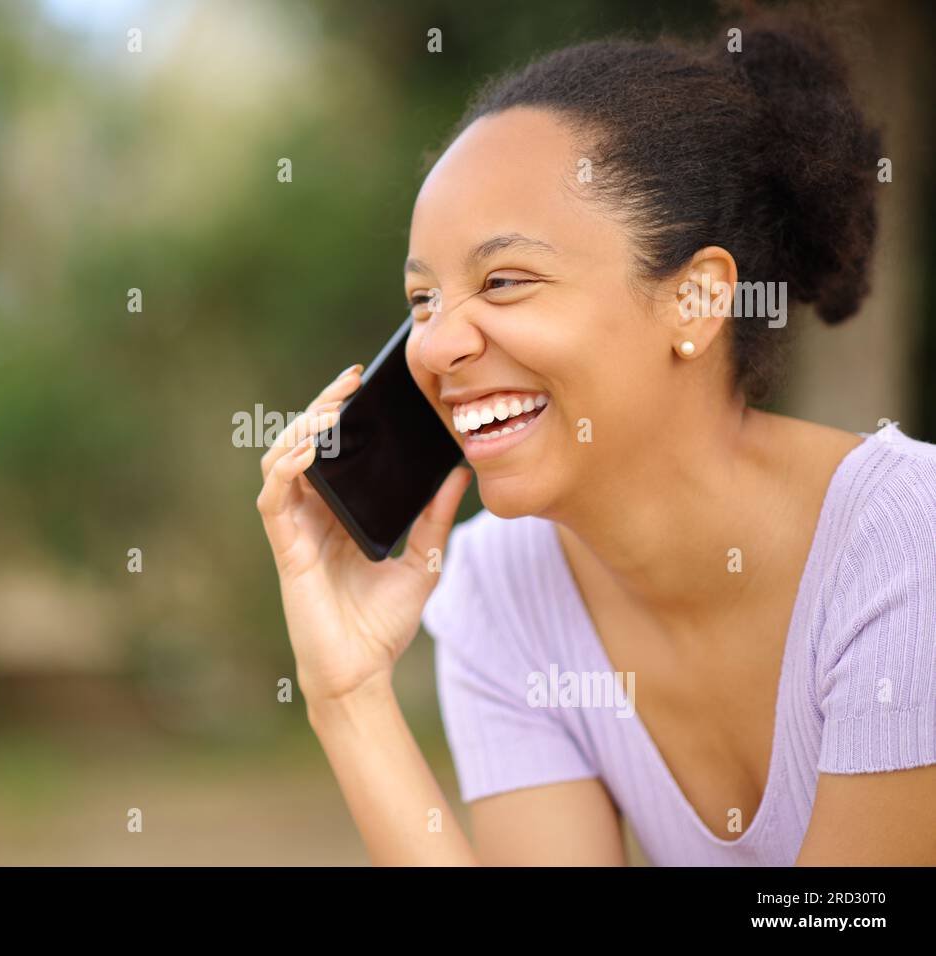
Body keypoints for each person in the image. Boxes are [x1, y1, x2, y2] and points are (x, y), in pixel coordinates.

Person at [255, 7, 936, 865]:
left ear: (696, 301)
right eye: (422, 302)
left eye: (503, 281)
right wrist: (346, 696)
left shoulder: (909, 542)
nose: (432, 345)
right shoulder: (501, 595)